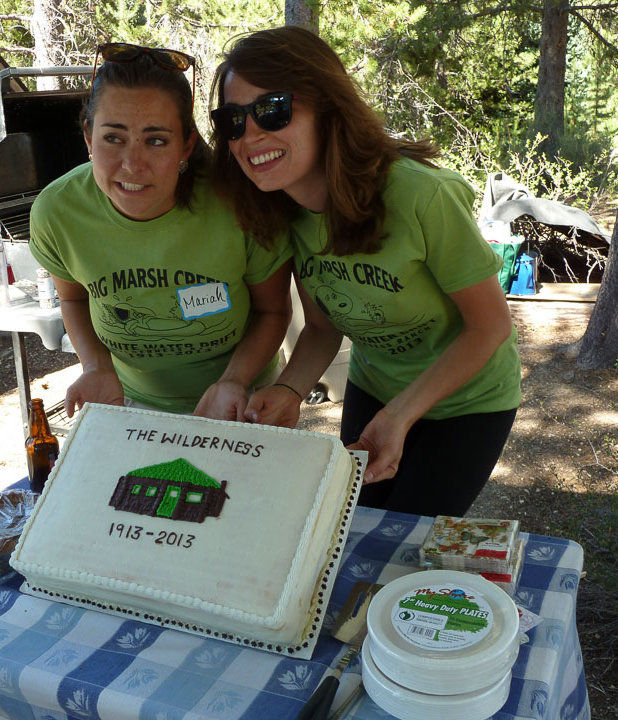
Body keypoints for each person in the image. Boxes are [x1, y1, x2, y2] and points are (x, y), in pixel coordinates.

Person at [209, 27, 521, 517]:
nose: (250, 134)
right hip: (375, 389)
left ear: (328, 108)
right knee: (351, 524)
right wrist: (288, 390)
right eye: (232, 120)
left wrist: (401, 413)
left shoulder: (421, 196)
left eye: (272, 109)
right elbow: (322, 326)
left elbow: (490, 327)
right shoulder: (279, 210)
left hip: (469, 402)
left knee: (407, 539)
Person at [29, 43, 292, 420]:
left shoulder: (239, 204)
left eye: (156, 140)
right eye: (113, 138)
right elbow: (73, 300)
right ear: (88, 136)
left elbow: (272, 311)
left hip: (241, 400)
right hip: (131, 402)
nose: (132, 165)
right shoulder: (58, 212)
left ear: (186, 145)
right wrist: (95, 367)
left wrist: (233, 381)